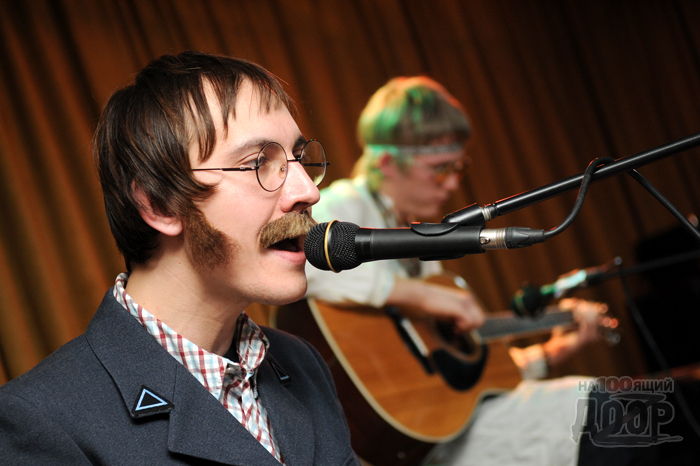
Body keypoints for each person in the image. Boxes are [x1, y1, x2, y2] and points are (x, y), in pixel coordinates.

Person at [0, 51, 360, 465]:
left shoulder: (301, 362)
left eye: (299, 159)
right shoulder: (40, 421)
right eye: (259, 163)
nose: (308, 191)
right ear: (159, 205)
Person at [305, 76, 657, 465]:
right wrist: (424, 295)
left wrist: (554, 351)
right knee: (597, 414)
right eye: (440, 168)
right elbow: (305, 259)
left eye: (459, 167)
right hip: (390, 442)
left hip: (436, 426)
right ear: (387, 162)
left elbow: (466, 385)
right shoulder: (343, 204)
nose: (454, 183)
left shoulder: (422, 240)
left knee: (619, 411)